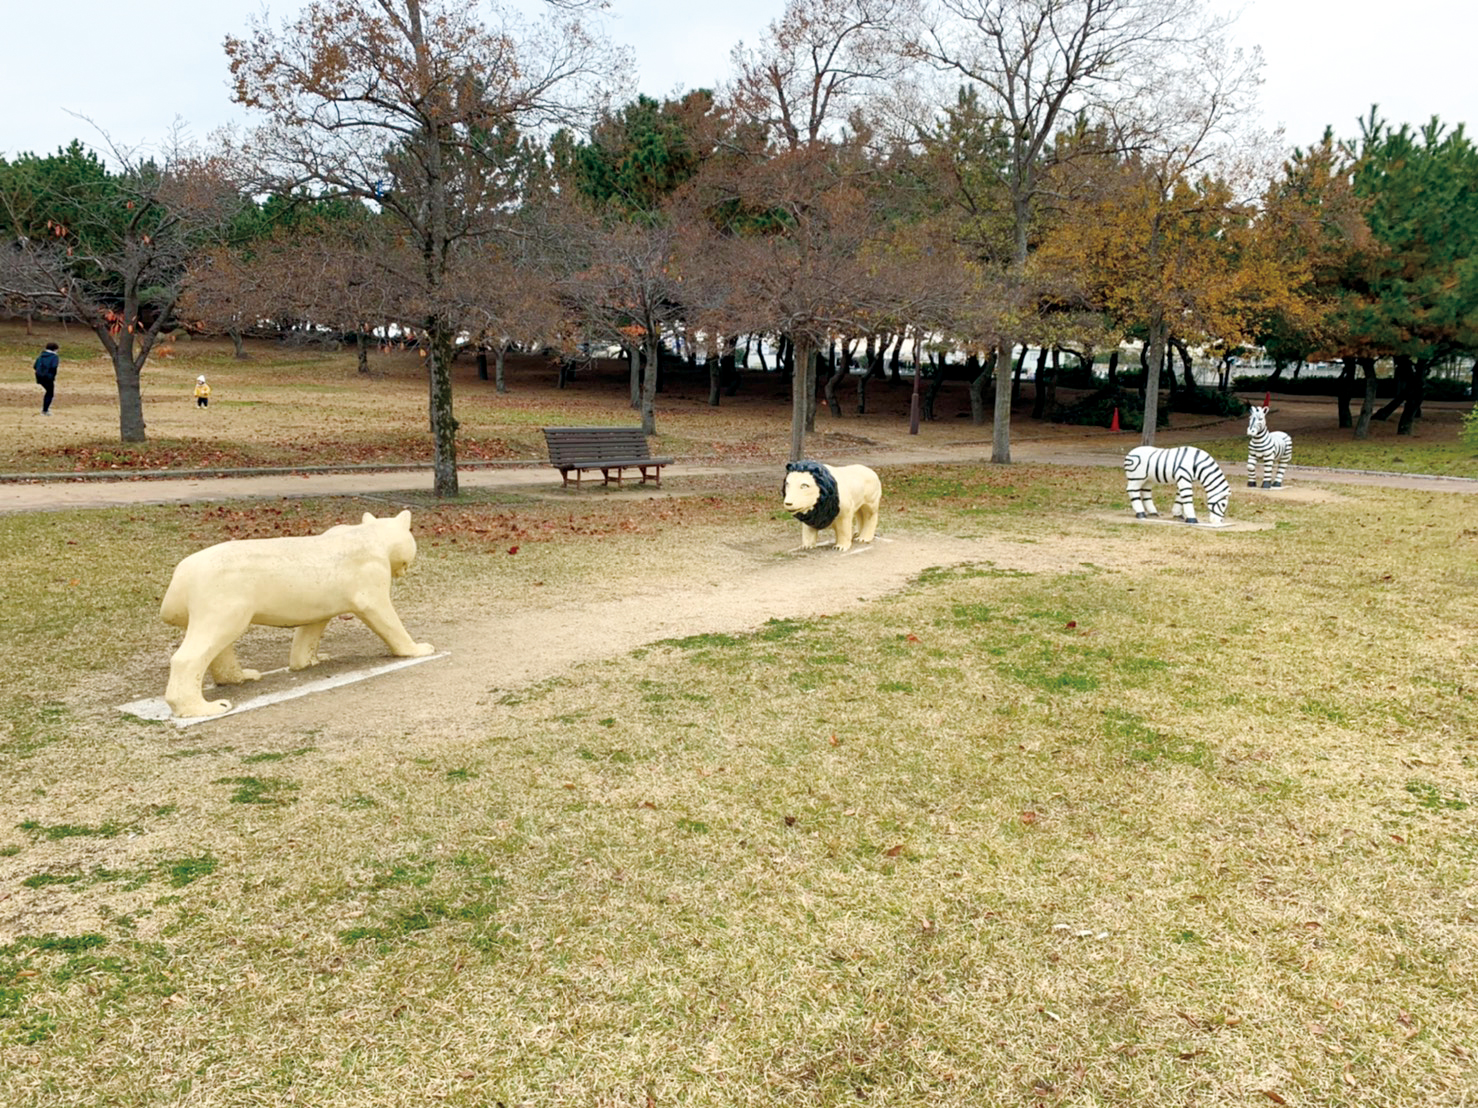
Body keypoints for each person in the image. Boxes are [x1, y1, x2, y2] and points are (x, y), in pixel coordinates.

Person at [33, 342, 59, 415]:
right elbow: (54, 366)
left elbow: (35, 366)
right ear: (55, 349)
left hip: (39, 376)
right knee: (50, 392)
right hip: (48, 377)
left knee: (48, 391)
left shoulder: (41, 356)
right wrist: (52, 375)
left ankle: (45, 409)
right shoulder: (54, 357)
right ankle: (45, 410)